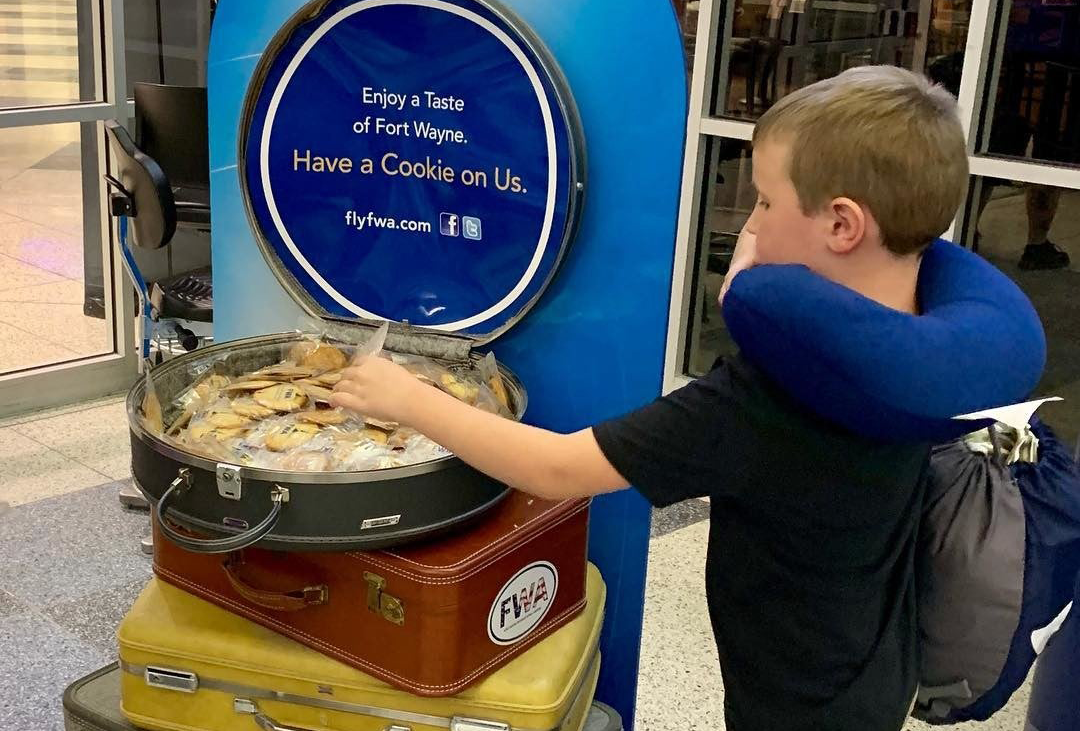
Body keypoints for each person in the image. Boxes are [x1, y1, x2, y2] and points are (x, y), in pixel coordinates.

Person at [331, 66, 970, 731]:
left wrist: (408, 398)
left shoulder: (764, 402)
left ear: (842, 223)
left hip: (791, 702)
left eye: (764, 203)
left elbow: (557, 468)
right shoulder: (921, 342)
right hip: (877, 665)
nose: (751, 227)